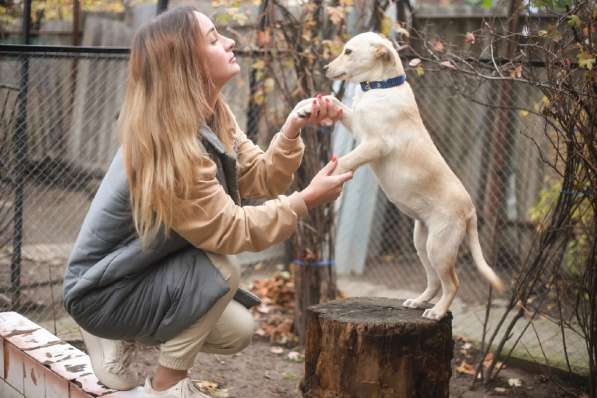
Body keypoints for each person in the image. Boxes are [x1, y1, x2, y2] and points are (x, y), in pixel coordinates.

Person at [62, 5, 352, 398]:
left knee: (237, 331)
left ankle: (122, 335)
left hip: (141, 275)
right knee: (220, 266)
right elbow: (229, 231)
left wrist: (293, 126)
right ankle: (165, 388)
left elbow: (261, 176)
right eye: (214, 39)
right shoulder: (169, 143)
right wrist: (304, 201)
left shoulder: (211, 112)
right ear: (187, 64)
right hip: (101, 291)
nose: (231, 41)